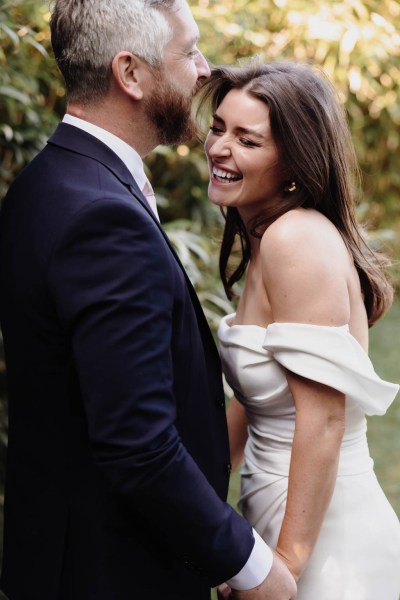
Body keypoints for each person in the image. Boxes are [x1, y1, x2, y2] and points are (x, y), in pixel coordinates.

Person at [0, 3, 299, 600]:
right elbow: (139, 447)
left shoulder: (47, 181)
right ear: (130, 74)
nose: (203, 69)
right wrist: (255, 569)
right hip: (110, 572)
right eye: (188, 52)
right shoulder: (101, 216)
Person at [198, 60, 400, 599]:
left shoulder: (295, 239)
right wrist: (200, 500)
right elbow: (259, 394)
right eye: (219, 128)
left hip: (328, 541)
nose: (219, 148)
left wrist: (286, 563)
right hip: (273, 512)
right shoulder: (266, 234)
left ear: (292, 162)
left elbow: (324, 417)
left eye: (247, 140)